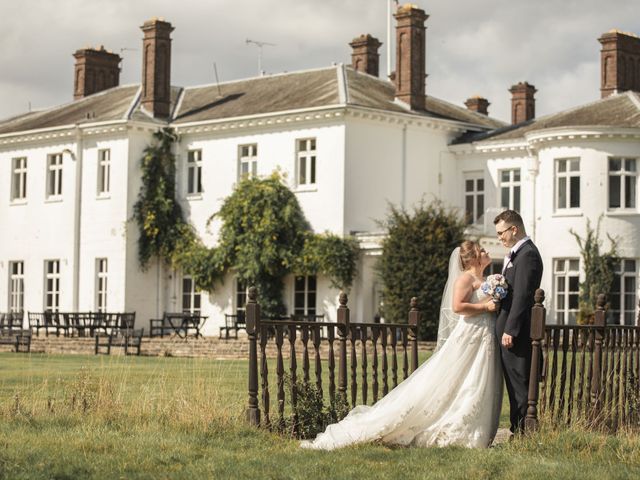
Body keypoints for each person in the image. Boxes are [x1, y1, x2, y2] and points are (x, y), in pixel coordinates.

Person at [300, 241, 503, 450]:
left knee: (475, 379)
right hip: (469, 334)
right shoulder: (465, 279)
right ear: (474, 258)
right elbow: (457, 306)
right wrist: (485, 306)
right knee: (454, 377)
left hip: (484, 335)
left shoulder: (486, 279)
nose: (487, 252)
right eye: (483, 251)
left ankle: (470, 427)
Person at [493, 210, 543, 435]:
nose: (499, 238)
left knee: (519, 381)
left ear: (514, 229)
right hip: (508, 329)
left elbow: (523, 295)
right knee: (513, 382)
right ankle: (518, 429)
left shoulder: (527, 255)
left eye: (501, 233)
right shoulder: (517, 254)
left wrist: (510, 329)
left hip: (517, 333)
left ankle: (523, 432)